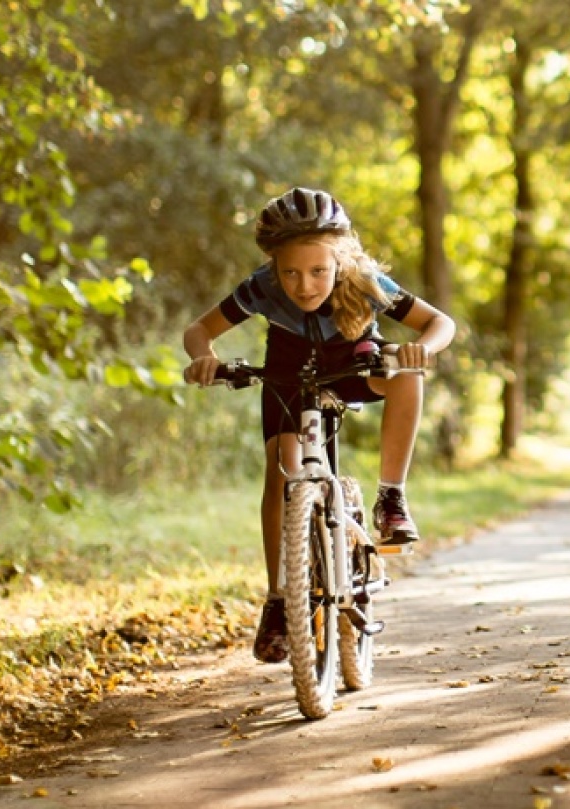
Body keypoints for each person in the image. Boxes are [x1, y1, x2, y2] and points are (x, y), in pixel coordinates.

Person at [181, 187, 455, 664]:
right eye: (290, 272)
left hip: (352, 367)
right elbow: (198, 330)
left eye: (317, 272)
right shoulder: (260, 287)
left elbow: (439, 322)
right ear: (274, 266)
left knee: (404, 372)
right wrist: (203, 356)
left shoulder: (365, 281)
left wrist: (423, 349)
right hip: (287, 374)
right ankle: (279, 598)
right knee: (280, 471)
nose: (304, 286)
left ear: (340, 259)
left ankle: (391, 496)